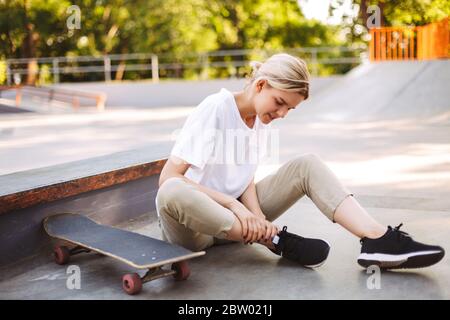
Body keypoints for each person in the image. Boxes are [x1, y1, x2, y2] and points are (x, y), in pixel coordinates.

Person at [155, 53, 445, 269]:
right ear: (261, 85)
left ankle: (377, 240)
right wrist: (233, 206)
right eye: (279, 102)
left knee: (307, 164)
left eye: (289, 109)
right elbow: (169, 178)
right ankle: (275, 240)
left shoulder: (259, 123)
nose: (281, 113)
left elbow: (245, 180)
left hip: (238, 224)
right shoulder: (216, 108)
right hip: (196, 229)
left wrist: (256, 216)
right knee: (171, 191)